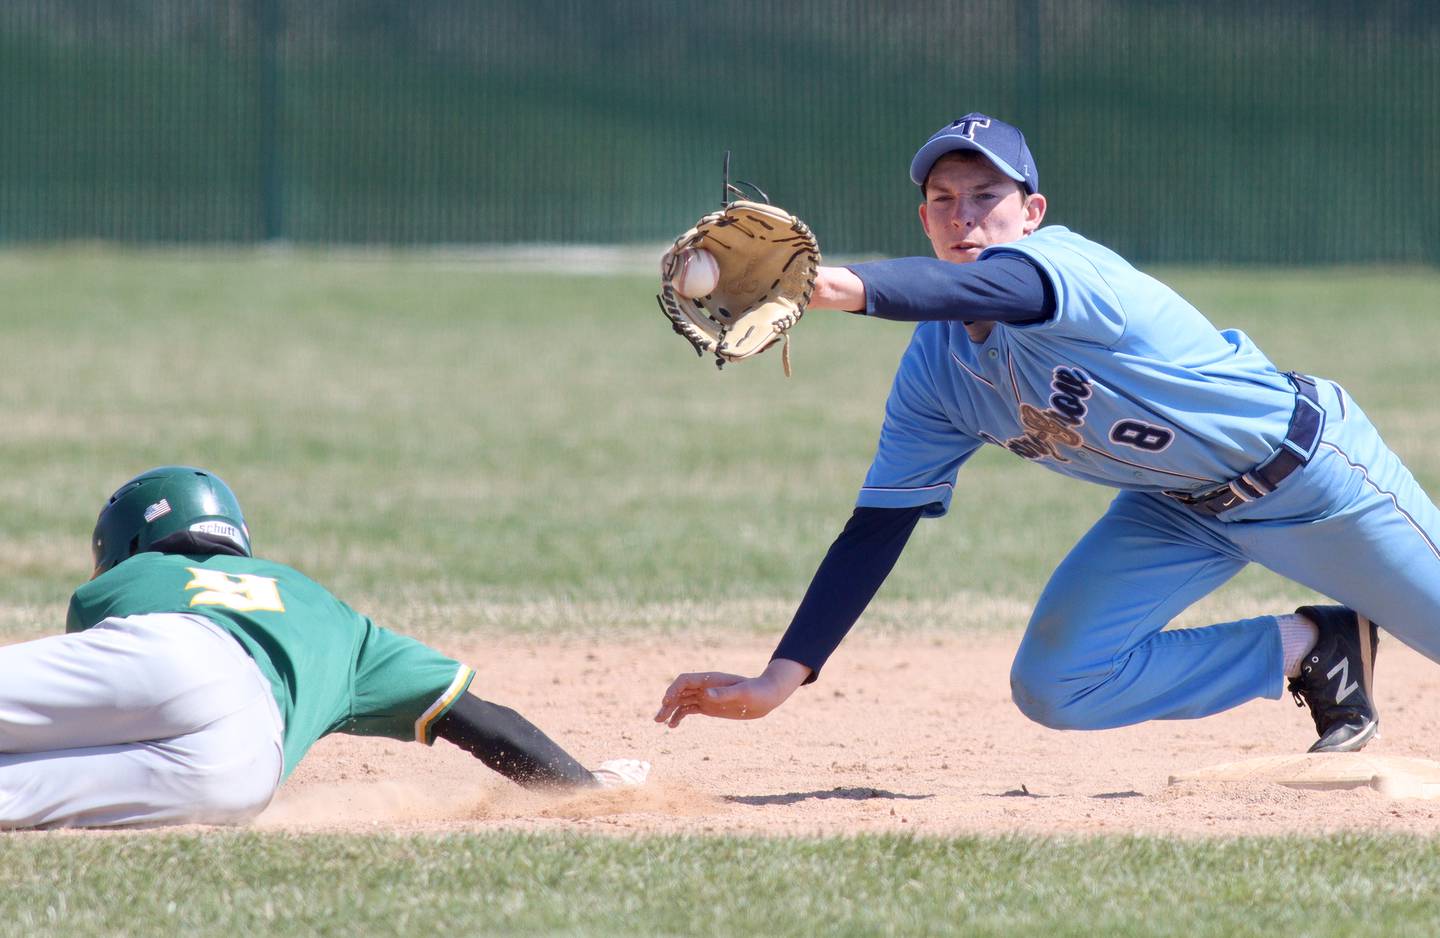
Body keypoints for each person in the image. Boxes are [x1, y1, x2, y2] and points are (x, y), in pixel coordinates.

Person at [655, 112, 1440, 757]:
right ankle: (1315, 649)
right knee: (1060, 682)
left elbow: (991, 283)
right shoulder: (936, 375)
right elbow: (878, 526)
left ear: (1032, 212)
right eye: (943, 199)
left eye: (987, 195)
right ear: (922, 218)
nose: (964, 216)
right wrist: (780, 677)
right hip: (1176, 510)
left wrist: (829, 286)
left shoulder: (1065, 269)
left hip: (1310, 479)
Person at [0, 466, 647, 829]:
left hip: (173, 651)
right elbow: (474, 717)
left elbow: (105, 706)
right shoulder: (330, 611)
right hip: (243, 768)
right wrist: (584, 788)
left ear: (126, 545)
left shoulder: (129, 580)